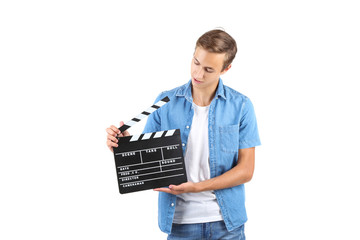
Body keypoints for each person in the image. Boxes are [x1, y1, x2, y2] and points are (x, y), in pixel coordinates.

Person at [106, 29, 261, 240]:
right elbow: (147, 162)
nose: (198, 74)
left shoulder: (241, 106)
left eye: (208, 69)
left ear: (226, 69)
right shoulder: (165, 102)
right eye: (196, 63)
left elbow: (245, 171)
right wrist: (125, 146)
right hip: (180, 223)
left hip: (227, 224)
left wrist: (197, 187)